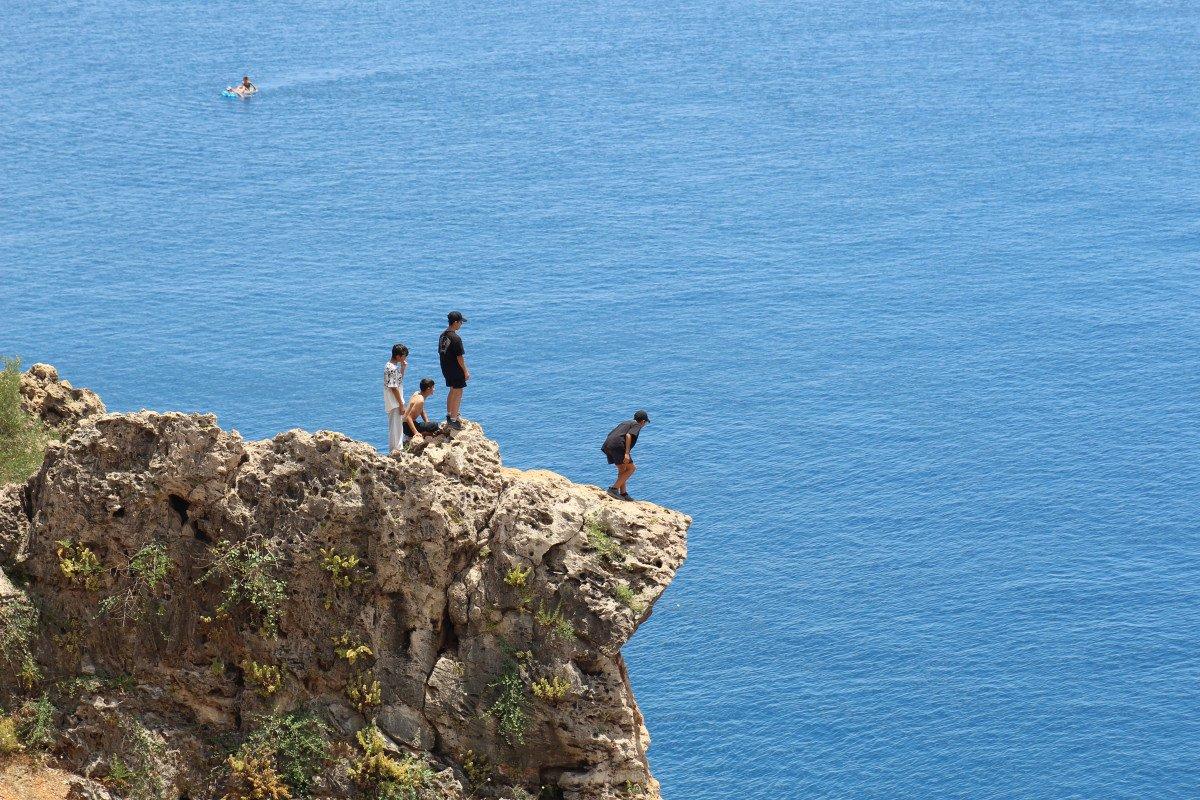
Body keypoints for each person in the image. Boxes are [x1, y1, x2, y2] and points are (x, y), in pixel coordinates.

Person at [601, 410, 650, 501]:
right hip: (618, 446)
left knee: (622, 469)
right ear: (643, 421)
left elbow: (611, 433)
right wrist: (627, 453)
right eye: (645, 423)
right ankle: (614, 489)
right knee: (631, 468)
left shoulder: (625, 423)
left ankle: (623, 493)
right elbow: (628, 435)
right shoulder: (637, 425)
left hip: (608, 445)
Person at [438, 311, 469, 429]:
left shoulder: (443, 335)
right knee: (458, 391)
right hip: (455, 368)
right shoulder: (455, 338)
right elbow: (459, 357)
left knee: (452, 390)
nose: (461, 324)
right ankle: (454, 420)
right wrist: (465, 371)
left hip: (445, 368)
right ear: (455, 322)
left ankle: (449, 414)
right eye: (461, 322)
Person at [384, 344, 408, 454]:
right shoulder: (392, 369)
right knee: (396, 428)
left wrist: (403, 369)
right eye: (404, 356)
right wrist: (401, 404)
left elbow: (398, 382)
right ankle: (396, 451)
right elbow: (394, 388)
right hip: (395, 402)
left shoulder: (390, 366)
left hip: (394, 402)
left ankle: (396, 450)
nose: (405, 358)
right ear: (398, 356)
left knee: (397, 427)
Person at [403, 379, 442, 443]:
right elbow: (408, 417)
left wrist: (427, 423)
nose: (434, 389)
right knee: (435, 425)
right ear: (428, 389)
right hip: (408, 427)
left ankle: (425, 432)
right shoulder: (420, 400)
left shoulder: (417, 393)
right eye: (433, 387)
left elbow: (422, 410)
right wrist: (416, 433)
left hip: (405, 426)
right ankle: (421, 434)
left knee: (431, 425)